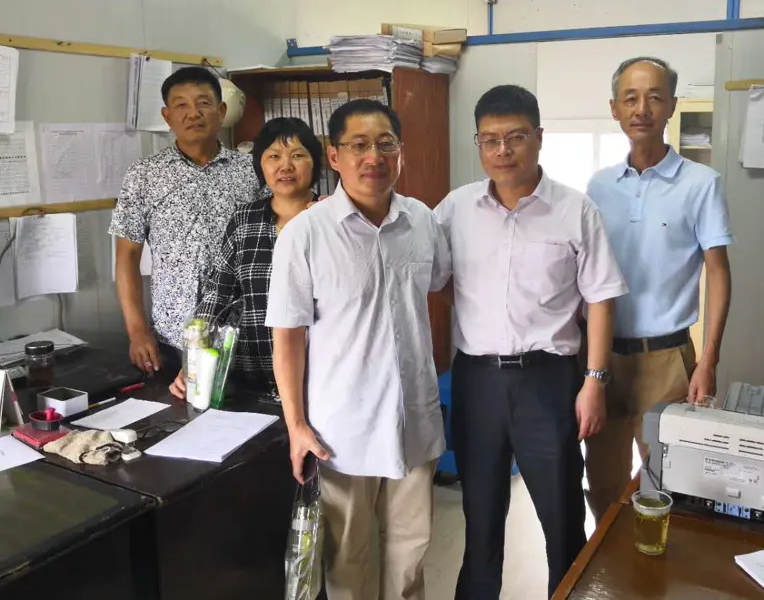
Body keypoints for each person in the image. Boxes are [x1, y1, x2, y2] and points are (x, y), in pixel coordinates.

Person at [435, 85, 628, 600]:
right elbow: (437, 277)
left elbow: (601, 299)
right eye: (490, 139)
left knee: (562, 517)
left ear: (539, 137)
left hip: (549, 381)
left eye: (515, 137)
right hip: (477, 381)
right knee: (480, 519)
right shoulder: (455, 209)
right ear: (478, 143)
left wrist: (594, 381)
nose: (503, 150)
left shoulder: (575, 210)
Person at [266, 99, 451, 600]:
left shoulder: (422, 221)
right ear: (334, 156)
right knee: (348, 563)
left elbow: (440, 286)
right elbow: (288, 338)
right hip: (341, 431)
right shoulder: (305, 234)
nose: (374, 157)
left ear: (401, 152)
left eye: (385, 144)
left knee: (410, 557)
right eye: (359, 145)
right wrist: (296, 425)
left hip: (414, 420)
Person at [583, 56, 734, 522]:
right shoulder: (599, 186)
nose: (641, 109)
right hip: (604, 359)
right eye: (630, 98)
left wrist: (708, 360)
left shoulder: (701, 183)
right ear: (614, 109)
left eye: (654, 97)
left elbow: (718, 272)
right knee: (604, 485)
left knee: (670, 487)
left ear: (671, 106)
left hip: (668, 360)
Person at [110, 66, 260, 382]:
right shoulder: (144, 175)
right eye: (181, 105)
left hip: (244, 333)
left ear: (221, 112)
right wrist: (137, 330)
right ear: (167, 116)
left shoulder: (253, 171)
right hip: (172, 338)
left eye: (203, 103)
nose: (193, 113)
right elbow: (127, 257)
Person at [168, 117, 323, 400]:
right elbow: (218, 294)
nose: (285, 166)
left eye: (298, 155)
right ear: (260, 165)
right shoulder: (244, 220)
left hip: (317, 378)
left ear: (315, 163)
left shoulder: (331, 220)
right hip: (250, 377)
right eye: (273, 156)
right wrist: (194, 359)